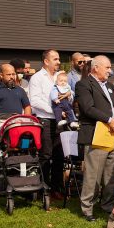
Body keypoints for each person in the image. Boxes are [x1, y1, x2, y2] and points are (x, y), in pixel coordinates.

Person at [75, 55, 114, 221]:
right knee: (93, 174)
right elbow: (88, 108)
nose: (111, 71)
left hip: (111, 134)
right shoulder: (83, 85)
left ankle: (108, 205)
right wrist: (109, 119)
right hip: (95, 135)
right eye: (108, 67)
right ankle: (87, 208)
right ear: (96, 67)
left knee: (111, 174)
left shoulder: (110, 86)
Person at [0, 63, 32, 187]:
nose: (11, 77)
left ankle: (21, 179)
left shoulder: (20, 90)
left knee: (23, 149)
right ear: (1, 75)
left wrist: (26, 119)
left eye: (13, 74)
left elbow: (27, 106)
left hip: (17, 125)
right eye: (8, 74)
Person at [28, 49, 65, 199]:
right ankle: (44, 188)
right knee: (46, 155)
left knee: (59, 156)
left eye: (59, 59)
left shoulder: (59, 77)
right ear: (46, 61)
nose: (58, 62)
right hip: (45, 119)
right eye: (55, 59)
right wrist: (54, 111)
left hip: (60, 121)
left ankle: (56, 188)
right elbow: (35, 101)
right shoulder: (37, 78)